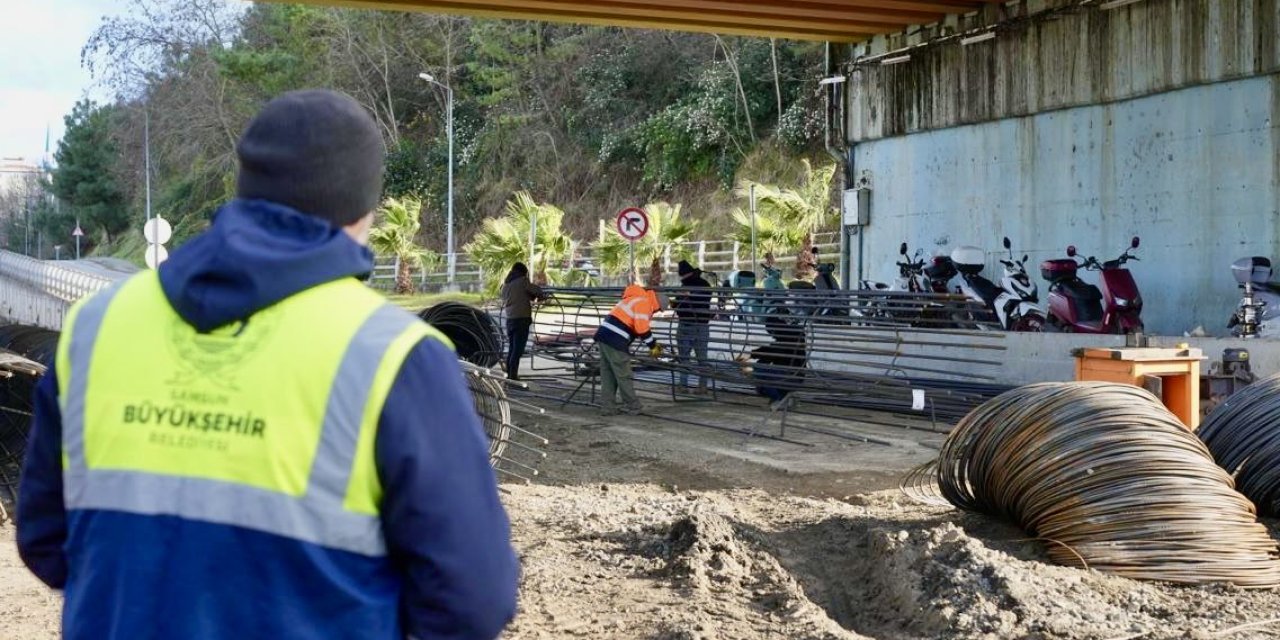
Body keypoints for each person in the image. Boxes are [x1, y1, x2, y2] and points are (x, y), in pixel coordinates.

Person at [16, 90, 518, 640]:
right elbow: (472, 599)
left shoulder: (97, 326)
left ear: (246, 190)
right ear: (364, 210)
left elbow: (44, 536)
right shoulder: (395, 355)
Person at [593, 282, 663, 416]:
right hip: (615, 340)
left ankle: (608, 407)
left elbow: (634, 325)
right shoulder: (645, 303)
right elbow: (642, 329)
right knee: (624, 374)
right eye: (659, 310)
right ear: (657, 304)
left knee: (608, 374)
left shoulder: (633, 298)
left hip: (604, 336)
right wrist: (653, 346)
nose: (656, 312)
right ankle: (634, 406)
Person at [737, 312, 809, 411]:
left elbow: (773, 350)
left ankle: (781, 400)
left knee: (759, 373)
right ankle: (784, 397)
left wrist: (751, 369)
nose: (770, 333)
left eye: (770, 329)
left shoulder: (789, 339)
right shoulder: (788, 338)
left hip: (791, 377)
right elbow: (769, 354)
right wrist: (750, 358)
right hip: (790, 376)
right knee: (759, 373)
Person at [672, 260, 712, 392]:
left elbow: (679, 306)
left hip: (686, 324)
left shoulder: (684, 287)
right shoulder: (705, 284)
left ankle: (683, 385)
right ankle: (703, 386)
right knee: (702, 358)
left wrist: (675, 303)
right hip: (702, 326)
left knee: (684, 357)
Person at [501, 262, 543, 381]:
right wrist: (540, 294)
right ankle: (513, 376)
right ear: (523, 272)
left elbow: (517, 296)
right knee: (518, 350)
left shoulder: (506, 285)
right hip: (521, 320)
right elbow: (536, 290)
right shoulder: (522, 281)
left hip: (510, 320)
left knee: (512, 348)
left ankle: (509, 374)